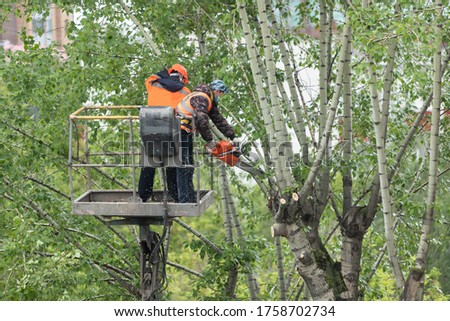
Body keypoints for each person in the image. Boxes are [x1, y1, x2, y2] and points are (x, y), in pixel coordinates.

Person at [175, 79, 238, 203]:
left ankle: (189, 197)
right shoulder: (202, 98)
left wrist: (232, 136)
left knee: (188, 165)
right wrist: (210, 141)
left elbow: (218, 120)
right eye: (221, 94)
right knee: (184, 165)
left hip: (184, 131)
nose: (220, 96)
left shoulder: (207, 99)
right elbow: (202, 120)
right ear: (217, 91)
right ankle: (184, 199)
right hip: (178, 131)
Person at [138, 64, 191, 203]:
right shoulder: (186, 91)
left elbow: (152, 76)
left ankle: (143, 195)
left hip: (151, 128)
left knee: (149, 163)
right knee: (172, 162)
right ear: (183, 78)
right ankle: (175, 194)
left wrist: (165, 74)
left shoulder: (153, 84)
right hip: (172, 130)